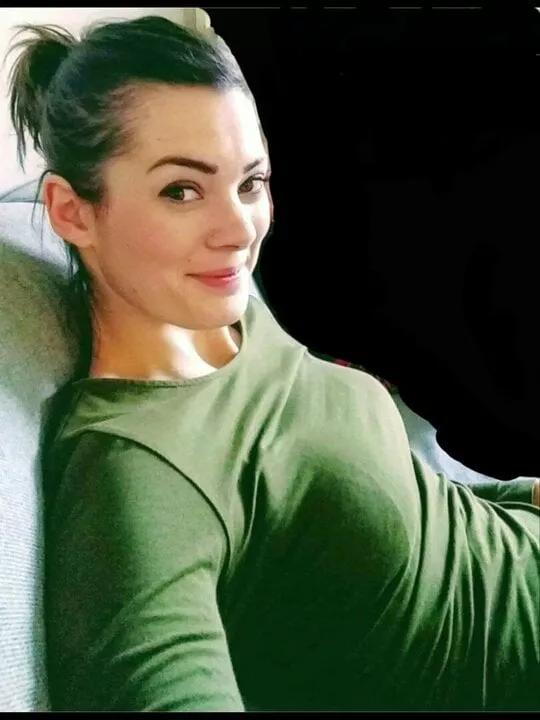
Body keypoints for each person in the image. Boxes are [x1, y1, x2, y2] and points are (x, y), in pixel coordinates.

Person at [8, 16, 539, 712]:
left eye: (250, 182)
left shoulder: (229, 320)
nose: (240, 230)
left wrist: (520, 495)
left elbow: (419, 510)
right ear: (73, 212)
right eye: (182, 190)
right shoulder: (139, 471)